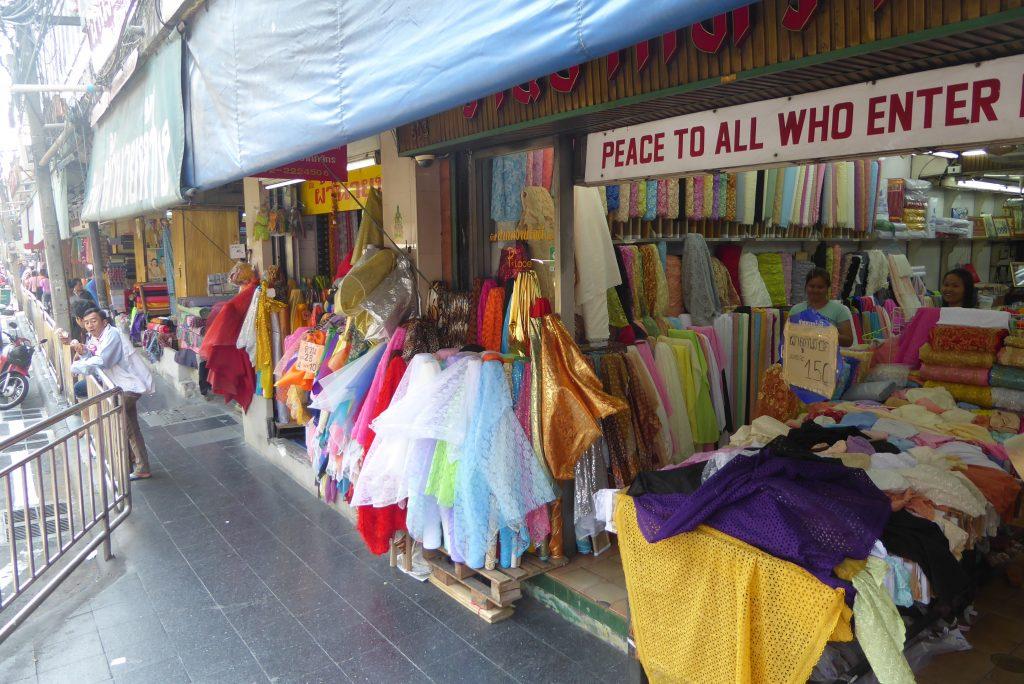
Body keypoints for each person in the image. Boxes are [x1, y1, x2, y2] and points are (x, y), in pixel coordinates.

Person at [70, 308, 154, 480]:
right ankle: (137, 465)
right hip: (120, 387)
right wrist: (84, 352)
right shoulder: (97, 337)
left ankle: (134, 464)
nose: (90, 325)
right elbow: (95, 355)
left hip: (129, 386)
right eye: (87, 322)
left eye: (93, 321)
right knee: (130, 426)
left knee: (124, 426)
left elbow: (103, 360)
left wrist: (75, 367)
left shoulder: (112, 335)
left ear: (104, 322)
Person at [788, 267, 855, 346]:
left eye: (820, 287)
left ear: (827, 288)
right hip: (801, 357)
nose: (815, 290)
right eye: (812, 286)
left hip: (830, 357)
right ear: (806, 286)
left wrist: (824, 335)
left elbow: (848, 341)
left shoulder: (840, 310)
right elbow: (787, 336)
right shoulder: (796, 310)